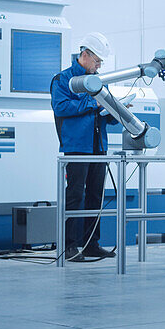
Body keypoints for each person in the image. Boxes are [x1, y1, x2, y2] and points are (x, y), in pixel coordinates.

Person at [50, 32, 118, 262]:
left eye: (101, 63)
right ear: (84, 54)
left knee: (95, 196)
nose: (98, 66)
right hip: (77, 147)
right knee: (75, 196)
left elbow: (103, 114)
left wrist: (115, 112)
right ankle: (69, 247)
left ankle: (91, 244)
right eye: (97, 61)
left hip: (99, 147)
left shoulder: (98, 81)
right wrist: (92, 102)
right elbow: (61, 107)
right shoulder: (63, 80)